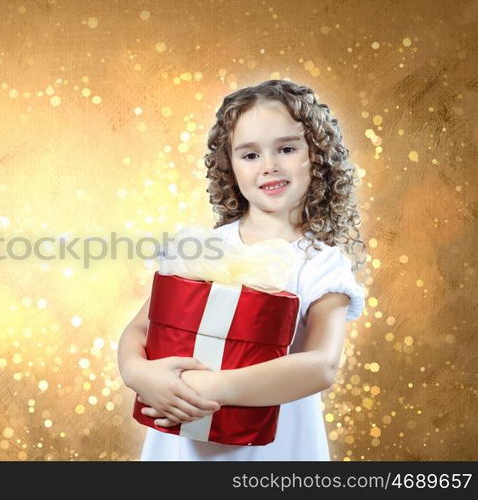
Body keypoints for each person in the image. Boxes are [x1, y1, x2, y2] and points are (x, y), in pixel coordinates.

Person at [117, 79, 367, 460]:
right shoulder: (202, 248)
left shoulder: (319, 262)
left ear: (317, 155)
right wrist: (139, 374)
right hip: (179, 445)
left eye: (286, 148)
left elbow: (321, 365)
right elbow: (141, 327)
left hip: (270, 453)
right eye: (250, 155)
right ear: (229, 166)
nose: (269, 166)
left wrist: (207, 387)